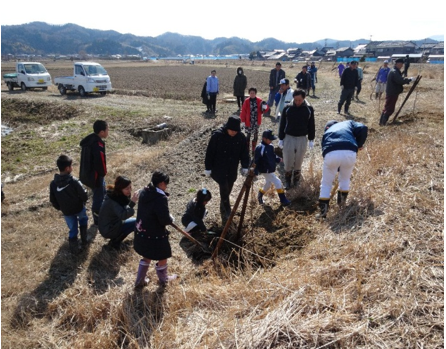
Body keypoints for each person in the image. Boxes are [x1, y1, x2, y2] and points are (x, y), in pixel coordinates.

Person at [134, 171, 177, 287]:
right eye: (166, 184)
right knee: (163, 255)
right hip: (155, 233)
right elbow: (164, 220)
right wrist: (170, 219)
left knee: (146, 255)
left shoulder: (145, 191)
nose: (166, 186)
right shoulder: (160, 198)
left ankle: (140, 280)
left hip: (143, 230)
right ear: (162, 183)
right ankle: (164, 280)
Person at [317, 120, 368, 218]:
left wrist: (335, 167)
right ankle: (341, 207)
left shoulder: (327, 133)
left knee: (326, 183)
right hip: (350, 151)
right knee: (345, 179)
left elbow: (325, 153)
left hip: (331, 152)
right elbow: (363, 128)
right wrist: (359, 144)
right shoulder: (348, 123)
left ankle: (323, 212)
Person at [204, 116, 250, 222]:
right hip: (218, 168)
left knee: (229, 186)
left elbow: (244, 153)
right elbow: (210, 152)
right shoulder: (217, 136)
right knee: (224, 187)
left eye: (236, 131)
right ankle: (227, 211)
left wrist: (245, 165)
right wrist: (208, 167)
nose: (233, 133)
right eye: (231, 130)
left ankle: (223, 203)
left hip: (232, 168)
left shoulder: (241, 137)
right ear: (227, 128)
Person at [50, 155, 88, 254]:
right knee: (83, 220)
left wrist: (60, 208)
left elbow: (52, 199)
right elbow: (84, 194)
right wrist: (83, 201)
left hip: (66, 212)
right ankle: (85, 239)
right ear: (67, 168)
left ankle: (74, 249)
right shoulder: (74, 181)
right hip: (79, 208)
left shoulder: (53, 184)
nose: (72, 168)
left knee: (72, 228)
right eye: (71, 166)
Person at [278, 89, 315, 189]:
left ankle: (296, 181)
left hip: (302, 138)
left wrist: (311, 139)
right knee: (288, 160)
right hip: (289, 137)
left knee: (299, 160)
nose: (297, 102)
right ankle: (287, 181)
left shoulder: (309, 109)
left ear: (304, 98)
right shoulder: (287, 108)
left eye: (300, 100)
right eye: (296, 100)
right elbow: (282, 124)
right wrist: (281, 138)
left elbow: (311, 125)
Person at [79, 120, 108, 225]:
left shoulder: (89, 141)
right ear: (101, 132)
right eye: (107, 129)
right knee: (98, 197)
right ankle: (97, 220)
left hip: (87, 174)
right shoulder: (98, 144)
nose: (108, 131)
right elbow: (100, 162)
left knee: (102, 193)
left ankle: (103, 212)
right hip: (96, 176)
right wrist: (103, 173)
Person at [98, 176, 139, 250]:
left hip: (109, 225)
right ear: (120, 189)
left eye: (130, 187)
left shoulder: (115, 195)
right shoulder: (114, 201)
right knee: (136, 222)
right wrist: (132, 203)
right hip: (109, 229)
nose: (129, 190)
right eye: (127, 188)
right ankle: (115, 242)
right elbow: (123, 215)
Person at [255, 130, 291, 206]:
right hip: (265, 170)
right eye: (269, 139)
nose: (271, 141)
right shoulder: (260, 148)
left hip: (270, 168)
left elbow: (273, 156)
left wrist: (278, 159)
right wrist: (255, 170)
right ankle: (283, 199)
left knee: (268, 184)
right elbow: (256, 160)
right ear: (264, 139)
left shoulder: (270, 146)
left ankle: (260, 195)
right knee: (278, 182)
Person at [379, 58, 413, 126]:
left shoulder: (395, 71)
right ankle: (383, 123)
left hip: (392, 92)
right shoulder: (394, 71)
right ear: (398, 64)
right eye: (401, 64)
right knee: (389, 108)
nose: (402, 66)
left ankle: (381, 122)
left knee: (387, 107)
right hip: (392, 92)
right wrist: (409, 80)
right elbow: (400, 80)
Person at [240, 87, 269, 153]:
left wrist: (265, 107)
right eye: (251, 93)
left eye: (253, 93)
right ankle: (247, 149)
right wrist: (243, 121)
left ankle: (254, 148)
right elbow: (243, 111)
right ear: (249, 93)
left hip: (256, 121)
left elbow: (265, 109)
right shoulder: (246, 101)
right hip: (248, 121)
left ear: (255, 93)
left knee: (255, 135)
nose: (252, 94)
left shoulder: (259, 101)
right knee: (248, 135)